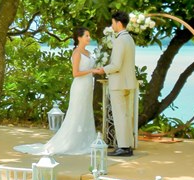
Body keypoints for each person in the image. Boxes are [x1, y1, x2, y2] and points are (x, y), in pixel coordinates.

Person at [15, 27, 97, 156]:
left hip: (88, 85)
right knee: (77, 112)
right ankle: (72, 142)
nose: (89, 38)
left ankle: (86, 140)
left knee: (86, 112)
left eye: (89, 35)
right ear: (79, 38)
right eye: (87, 36)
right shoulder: (77, 53)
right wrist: (92, 71)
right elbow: (75, 73)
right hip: (80, 86)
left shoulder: (88, 52)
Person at [94, 11, 136, 157]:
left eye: (112, 23)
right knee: (125, 115)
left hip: (118, 83)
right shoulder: (129, 39)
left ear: (118, 23)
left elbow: (116, 65)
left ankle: (123, 147)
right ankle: (127, 145)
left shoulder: (120, 40)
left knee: (120, 115)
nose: (112, 26)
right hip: (127, 82)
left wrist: (103, 69)